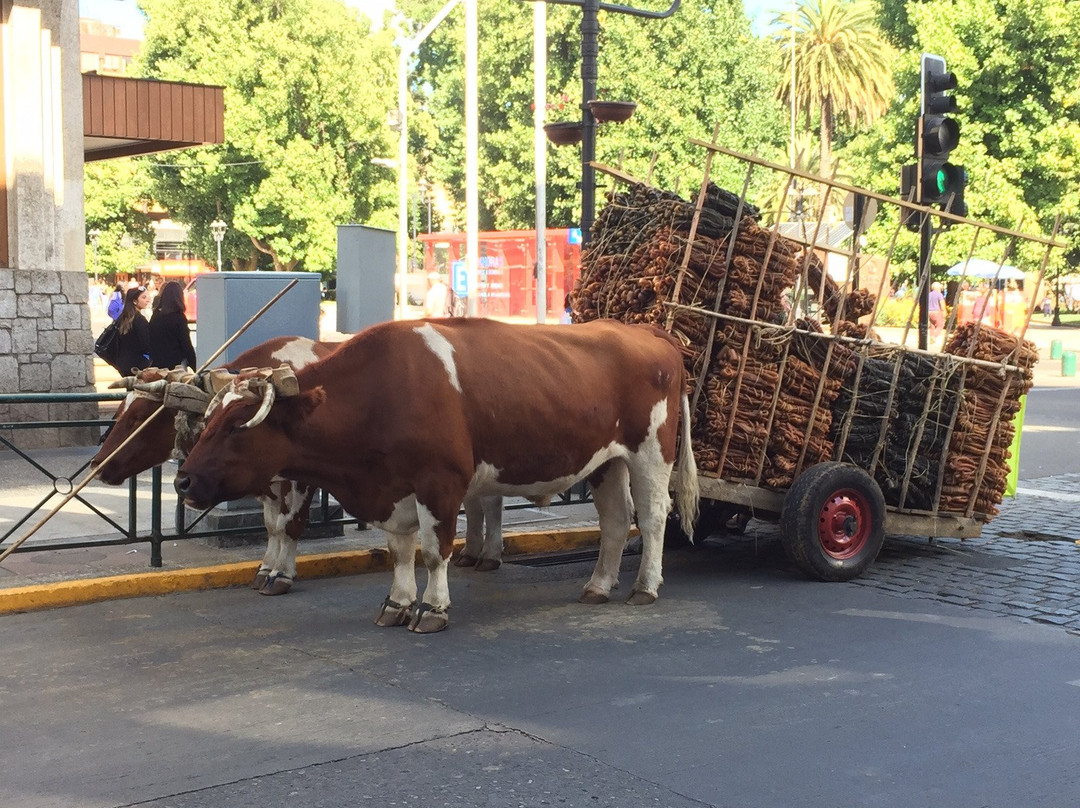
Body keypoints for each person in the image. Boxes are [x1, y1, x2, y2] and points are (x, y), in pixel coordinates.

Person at [148, 280, 197, 369]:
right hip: (176, 364)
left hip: (158, 363)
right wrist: (194, 365)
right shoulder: (179, 317)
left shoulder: (156, 316)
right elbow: (186, 344)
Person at [110, 285, 152, 373]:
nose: (148, 300)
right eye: (144, 297)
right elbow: (146, 344)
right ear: (135, 301)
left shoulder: (122, 318)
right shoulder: (139, 320)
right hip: (137, 365)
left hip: (123, 363)